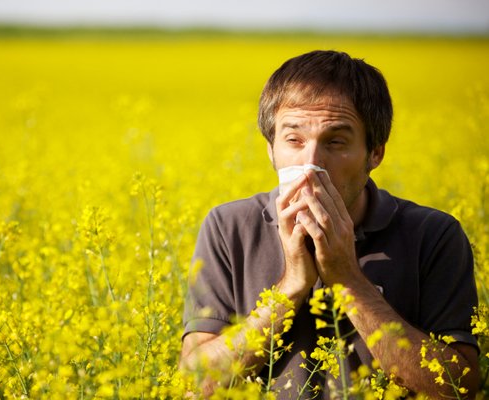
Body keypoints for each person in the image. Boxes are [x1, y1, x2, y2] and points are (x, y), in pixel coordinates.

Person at [180, 50, 479, 398]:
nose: (311, 164)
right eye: (294, 140)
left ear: (375, 152)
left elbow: (460, 388)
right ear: (270, 150)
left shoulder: (434, 235)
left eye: (336, 142)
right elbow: (194, 384)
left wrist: (348, 279)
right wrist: (290, 288)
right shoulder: (228, 227)